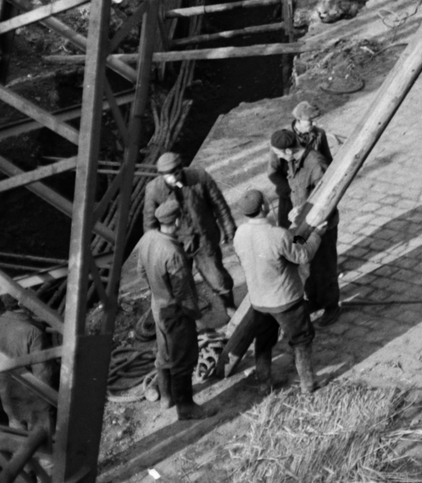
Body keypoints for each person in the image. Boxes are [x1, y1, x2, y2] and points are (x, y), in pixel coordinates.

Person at [232, 188, 323, 396]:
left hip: (259, 302)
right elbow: (302, 255)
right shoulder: (277, 234)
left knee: (263, 343)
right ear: (264, 206)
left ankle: (264, 384)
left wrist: (295, 235)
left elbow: (287, 243)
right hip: (286, 301)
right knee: (301, 340)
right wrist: (316, 234)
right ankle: (309, 383)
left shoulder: (240, 234)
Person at [135, 200, 206, 421]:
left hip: (158, 307)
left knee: (164, 353)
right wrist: (196, 316)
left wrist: (158, 290)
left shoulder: (147, 238)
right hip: (175, 312)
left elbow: (141, 272)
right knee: (182, 358)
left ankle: (166, 398)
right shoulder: (172, 252)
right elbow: (184, 292)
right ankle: (186, 407)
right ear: (176, 221)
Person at [269, 104, 341, 322]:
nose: (278, 158)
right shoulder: (290, 157)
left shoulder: (316, 165)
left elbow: (327, 197)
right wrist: (294, 204)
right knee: (305, 259)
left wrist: (303, 207)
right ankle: (314, 300)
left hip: (321, 224)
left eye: (280, 154)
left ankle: (331, 306)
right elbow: (281, 178)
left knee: (324, 264)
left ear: (289, 151)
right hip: (301, 223)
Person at [143, 151, 237, 316]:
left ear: (182, 168)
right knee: (182, 286)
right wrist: (153, 252)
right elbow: (150, 223)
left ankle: (229, 307)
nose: (173, 178)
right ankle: (196, 322)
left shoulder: (199, 177)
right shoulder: (153, 190)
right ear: (161, 175)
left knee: (217, 277)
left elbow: (218, 203)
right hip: (176, 245)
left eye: (176, 173)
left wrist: (228, 227)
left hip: (204, 238)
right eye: (168, 176)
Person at [0, 309, 47, 432]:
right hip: (32, 398)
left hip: (6, 395)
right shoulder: (33, 332)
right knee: (39, 436)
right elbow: (43, 375)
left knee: (16, 429)